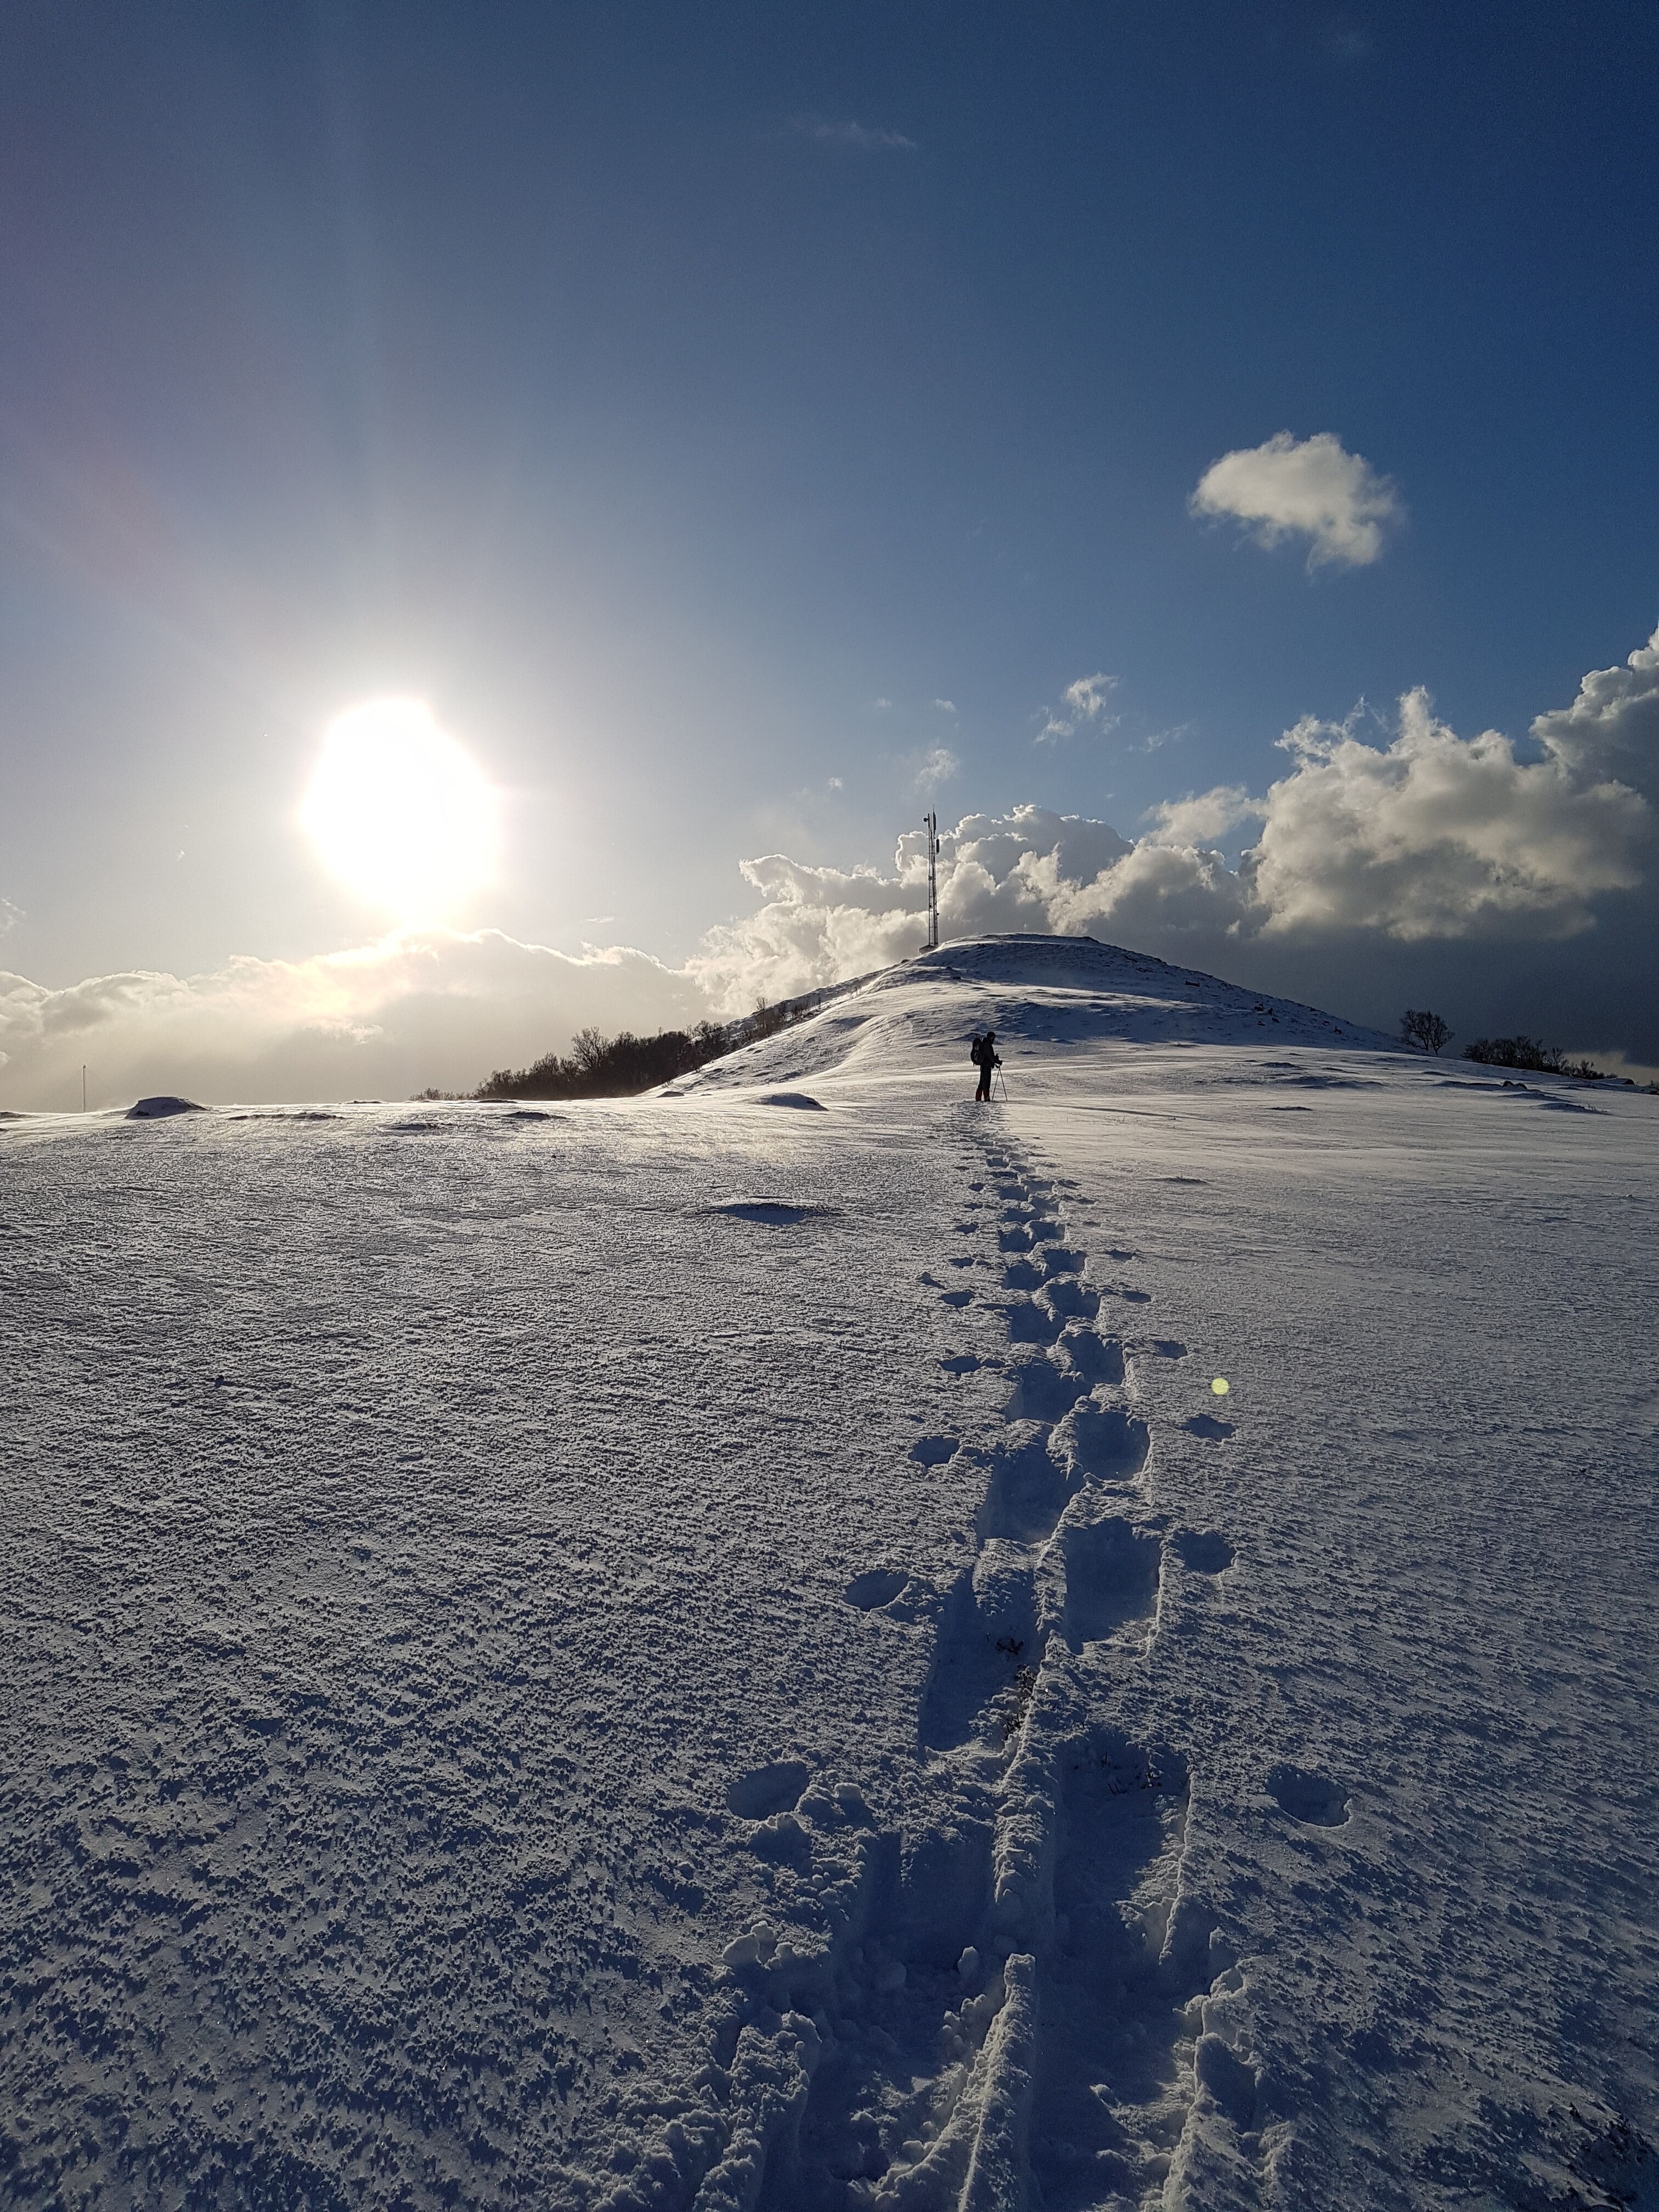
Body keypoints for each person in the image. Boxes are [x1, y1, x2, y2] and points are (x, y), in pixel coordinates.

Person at [971, 1028, 1001, 1102]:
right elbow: (991, 1057)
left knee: (982, 1082)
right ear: (991, 1037)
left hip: (983, 1066)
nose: (994, 1039)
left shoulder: (985, 1044)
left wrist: (994, 1061)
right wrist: (998, 1061)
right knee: (986, 1083)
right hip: (986, 1067)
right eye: (993, 1037)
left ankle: (978, 1098)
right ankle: (986, 1098)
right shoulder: (987, 1045)